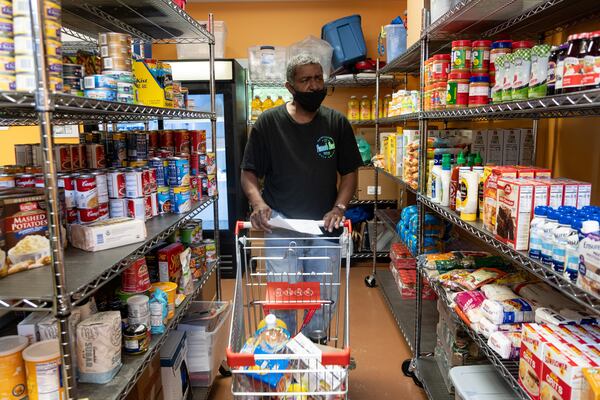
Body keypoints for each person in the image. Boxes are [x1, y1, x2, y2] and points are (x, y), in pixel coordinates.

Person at [240, 54, 363, 343]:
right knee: (282, 297)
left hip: (325, 228)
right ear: (289, 86)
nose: (313, 86)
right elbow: (249, 173)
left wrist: (339, 207)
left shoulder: (337, 123)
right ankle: (281, 354)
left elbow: (349, 174)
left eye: (318, 78)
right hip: (282, 227)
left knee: (322, 299)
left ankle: (313, 352)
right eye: (305, 80)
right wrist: (258, 203)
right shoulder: (269, 123)